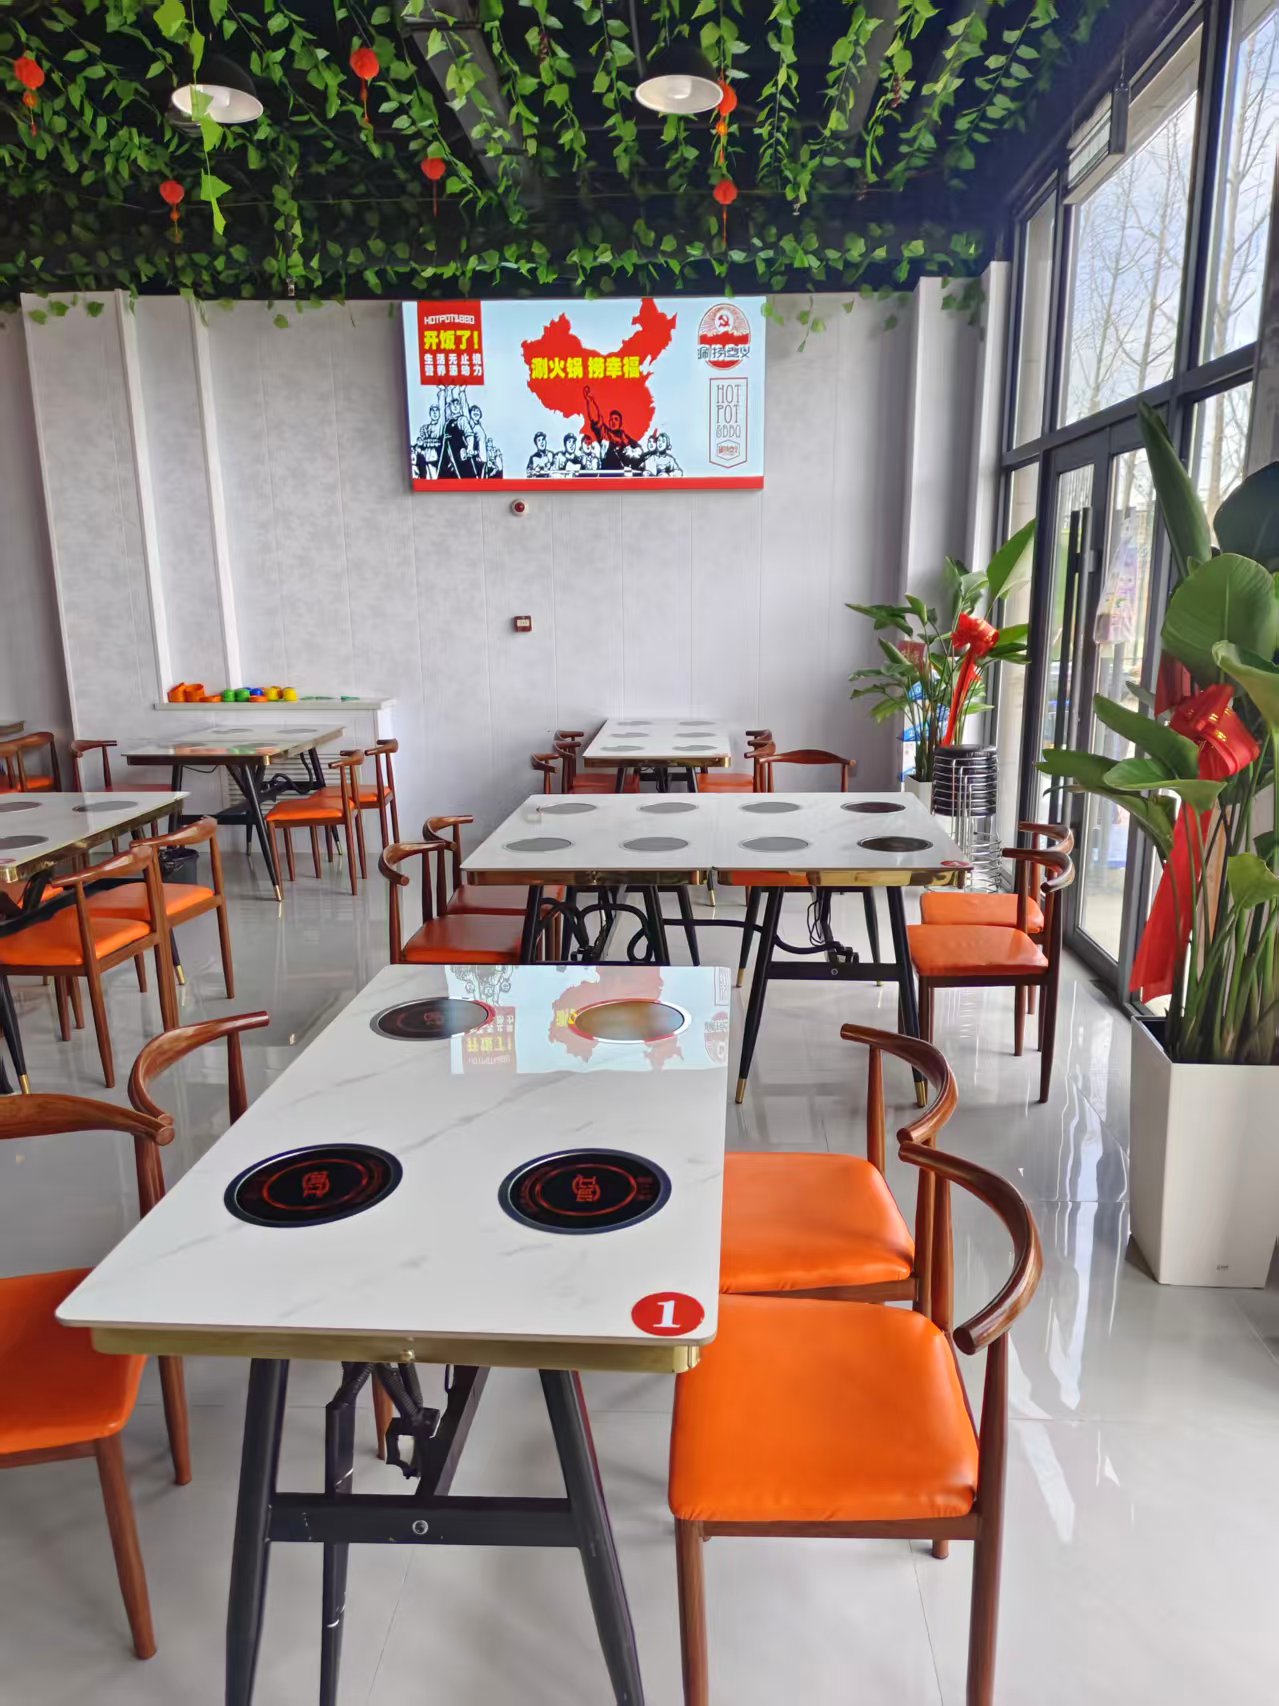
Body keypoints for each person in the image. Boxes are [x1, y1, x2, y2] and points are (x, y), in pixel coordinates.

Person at [583, 385, 643, 473]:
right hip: (606, 473)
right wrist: (590, 402)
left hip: (622, 475)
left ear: (620, 423)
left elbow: (639, 451)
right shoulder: (604, 433)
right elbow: (596, 419)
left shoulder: (626, 439)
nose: (613, 421)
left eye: (616, 419)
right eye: (611, 419)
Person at [412, 402, 442, 479]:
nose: (435, 413)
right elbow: (421, 441)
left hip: (436, 458)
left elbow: (439, 442)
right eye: (433, 411)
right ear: (430, 413)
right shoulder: (425, 428)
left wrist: (424, 443)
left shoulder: (441, 426)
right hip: (426, 458)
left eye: (437, 410)